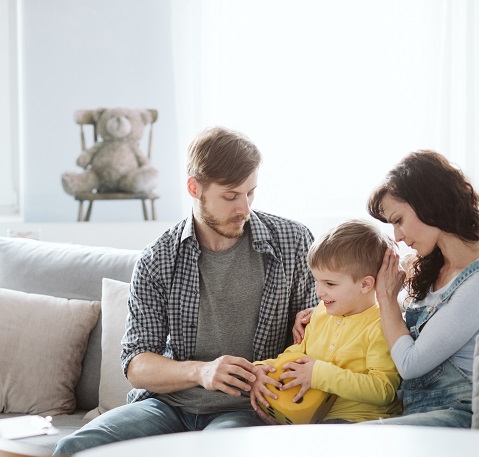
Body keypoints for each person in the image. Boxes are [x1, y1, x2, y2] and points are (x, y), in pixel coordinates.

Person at [54, 126, 317, 456]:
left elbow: (321, 339)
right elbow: (136, 364)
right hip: (166, 408)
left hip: (243, 410)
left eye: (251, 193)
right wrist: (202, 371)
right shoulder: (158, 258)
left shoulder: (292, 243)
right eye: (231, 196)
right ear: (195, 188)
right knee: (73, 447)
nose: (244, 209)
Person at [366, 149, 479, 427]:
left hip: (460, 416)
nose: (397, 236)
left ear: (428, 203)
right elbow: (390, 331)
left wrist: (386, 298)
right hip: (419, 412)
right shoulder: (432, 270)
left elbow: (410, 363)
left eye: (399, 220)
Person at [250, 219, 401, 424]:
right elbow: (297, 356)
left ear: (365, 284)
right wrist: (262, 369)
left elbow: (384, 390)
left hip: (361, 422)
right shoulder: (321, 313)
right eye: (317, 281)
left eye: (330, 283)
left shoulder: (381, 325)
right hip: (315, 419)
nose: (319, 292)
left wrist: (319, 374)